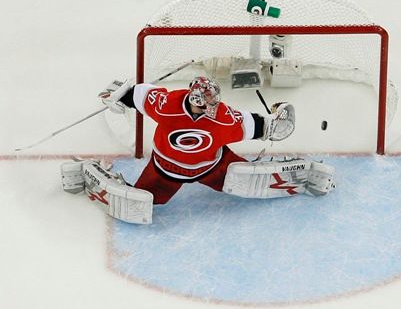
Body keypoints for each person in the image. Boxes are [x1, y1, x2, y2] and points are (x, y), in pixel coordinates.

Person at [60, 76, 335, 224]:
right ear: (194, 100)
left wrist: (274, 122)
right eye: (207, 104)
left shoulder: (223, 116)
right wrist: (119, 94)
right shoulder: (167, 104)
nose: (213, 109)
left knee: (239, 174)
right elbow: (136, 95)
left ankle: (287, 175)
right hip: (165, 170)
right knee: (146, 200)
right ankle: (94, 175)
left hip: (213, 168)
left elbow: (259, 126)